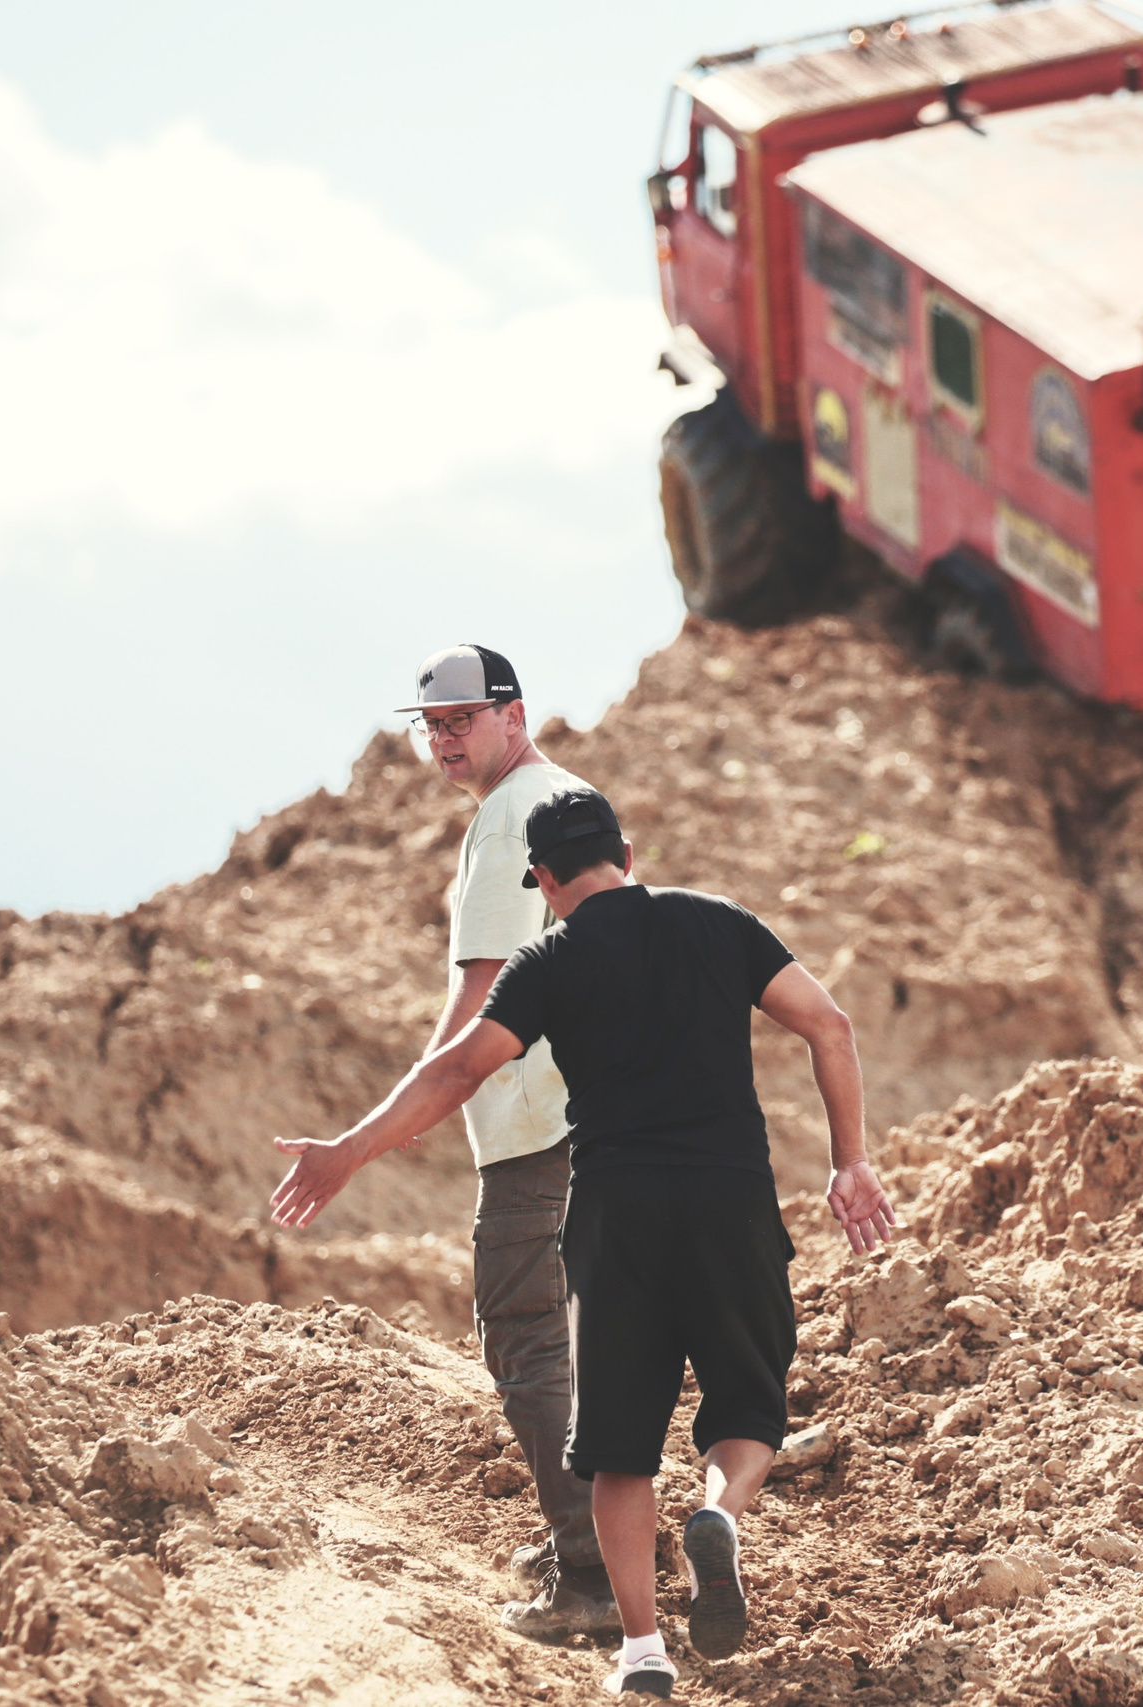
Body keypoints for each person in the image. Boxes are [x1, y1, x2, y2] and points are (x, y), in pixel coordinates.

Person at [272, 784, 898, 1699]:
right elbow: (828, 1024)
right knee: (747, 1409)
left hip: (613, 1214)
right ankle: (720, 1514)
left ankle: (643, 1650)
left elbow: (458, 1068)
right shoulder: (718, 921)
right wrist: (851, 1162)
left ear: (544, 880)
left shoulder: (548, 959)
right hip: (730, 1200)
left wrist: (349, 1150)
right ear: (627, 855)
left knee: (617, 1444)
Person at [360, 643, 616, 1643]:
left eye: (461, 721)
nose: (442, 741)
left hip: (535, 1121)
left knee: (524, 1334)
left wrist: (406, 1107)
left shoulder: (512, 815)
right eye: (431, 726)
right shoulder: (569, 796)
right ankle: (602, 1540)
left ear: (513, 713)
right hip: (589, 1110)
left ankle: (589, 1573)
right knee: (580, 1340)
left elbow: (482, 992)